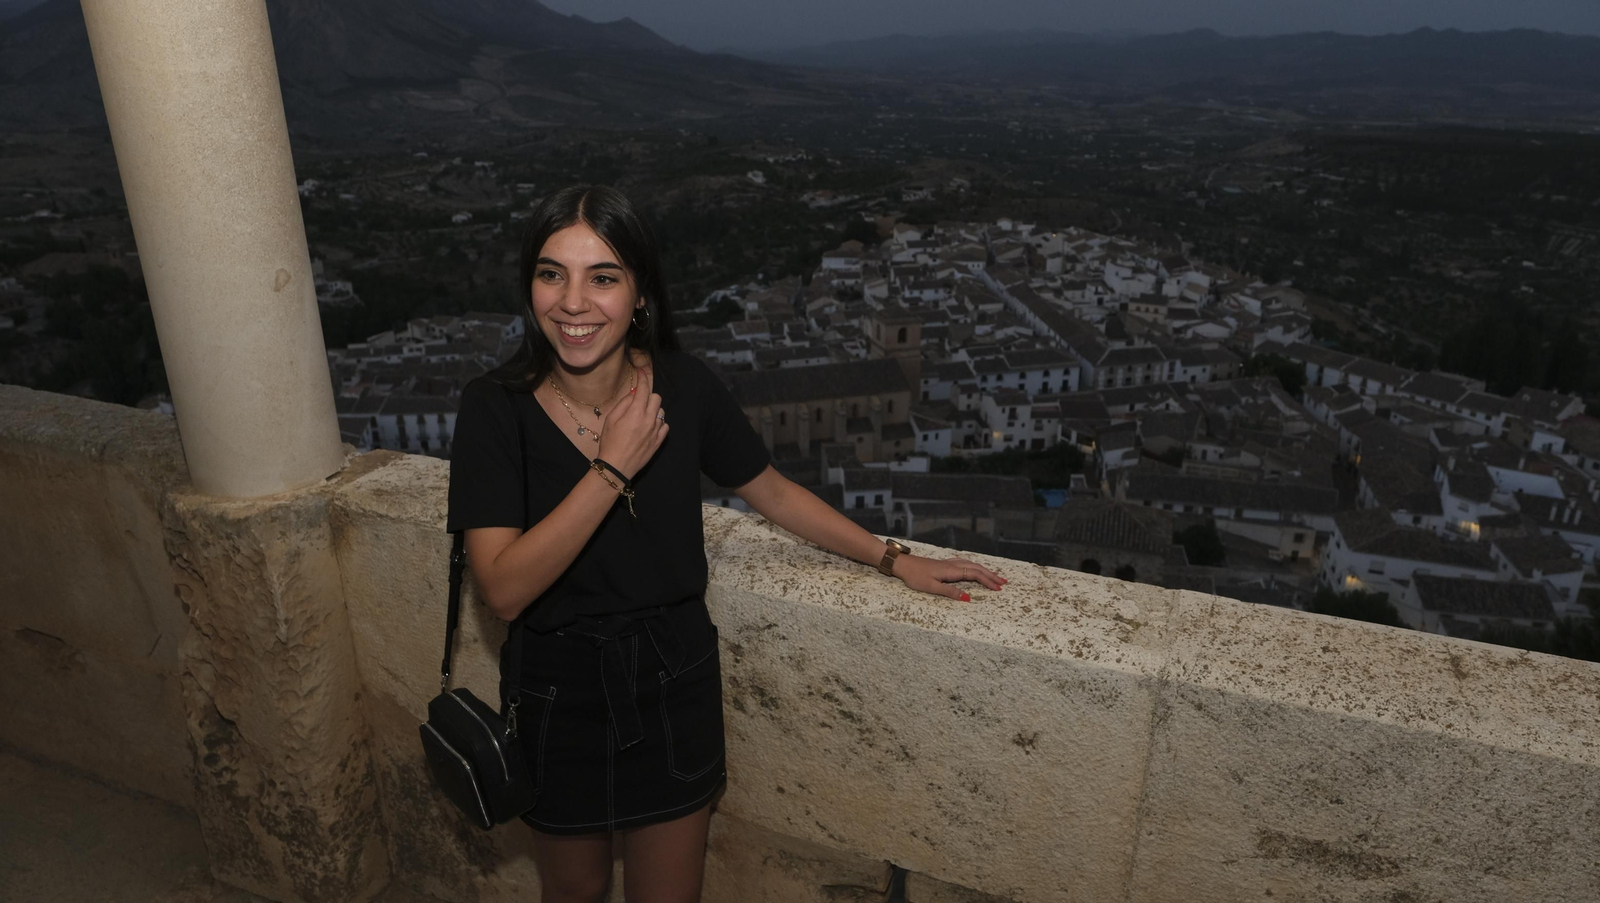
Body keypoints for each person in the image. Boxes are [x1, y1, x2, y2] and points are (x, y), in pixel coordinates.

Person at [446, 184, 1004, 903]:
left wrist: (892, 557)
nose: (573, 302)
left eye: (603, 277)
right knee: (573, 893)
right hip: (557, 691)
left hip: (674, 680)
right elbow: (503, 585)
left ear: (641, 293)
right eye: (552, 273)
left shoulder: (684, 386)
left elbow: (769, 489)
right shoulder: (494, 409)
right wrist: (612, 467)